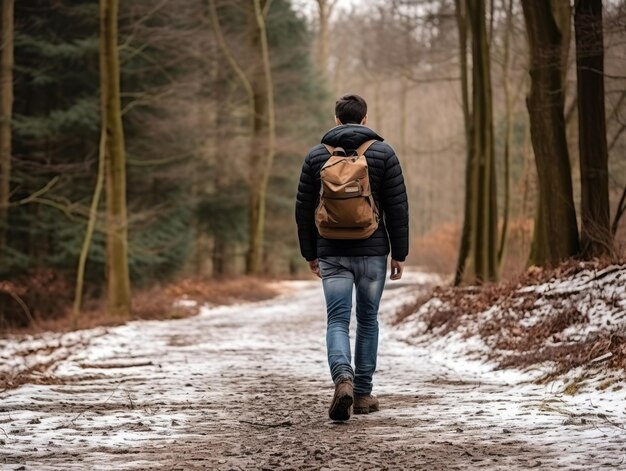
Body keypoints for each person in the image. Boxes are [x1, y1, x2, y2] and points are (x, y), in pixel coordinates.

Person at [295, 94, 409, 421]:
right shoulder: (384, 154)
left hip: (331, 250)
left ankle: (342, 377)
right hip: (372, 251)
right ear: (365, 119)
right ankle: (361, 393)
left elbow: (303, 210)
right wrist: (399, 253)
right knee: (368, 319)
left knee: (337, 320)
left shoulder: (316, 156)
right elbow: (398, 208)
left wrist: (310, 253)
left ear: (335, 120)